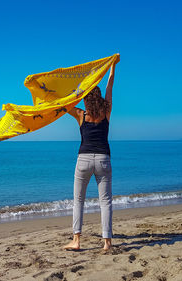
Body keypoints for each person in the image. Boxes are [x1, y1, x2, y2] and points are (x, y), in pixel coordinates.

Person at [63, 60, 117, 251]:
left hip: (84, 159)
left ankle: (76, 241)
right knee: (106, 202)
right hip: (103, 159)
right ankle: (107, 243)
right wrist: (113, 66)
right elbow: (110, 84)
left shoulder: (80, 114)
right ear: (100, 97)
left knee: (78, 201)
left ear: (86, 99)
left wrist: (78, 91)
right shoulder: (107, 111)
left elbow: (65, 104)